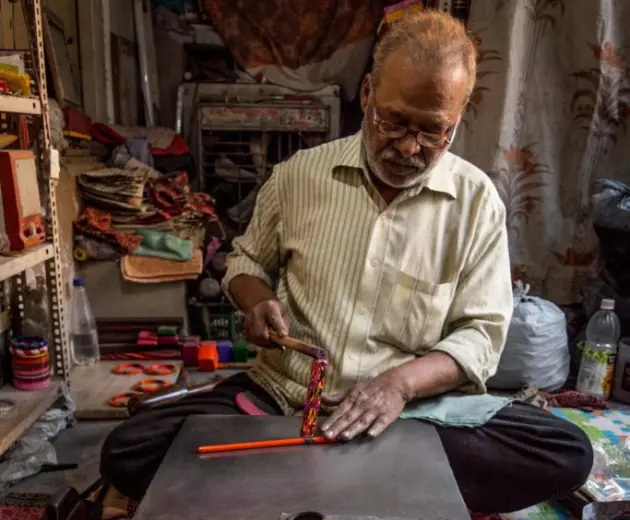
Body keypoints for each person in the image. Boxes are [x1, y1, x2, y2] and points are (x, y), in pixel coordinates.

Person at [100, 10, 593, 513]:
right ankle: (363, 476)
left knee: (566, 453)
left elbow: (480, 336)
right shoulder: (299, 177)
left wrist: (397, 387)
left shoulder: (476, 202)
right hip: (284, 399)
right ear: (366, 95)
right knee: (128, 450)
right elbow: (245, 262)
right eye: (394, 121)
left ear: (457, 119)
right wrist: (258, 299)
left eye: (432, 132)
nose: (408, 146)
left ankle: (302, 473)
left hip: (414, 414)